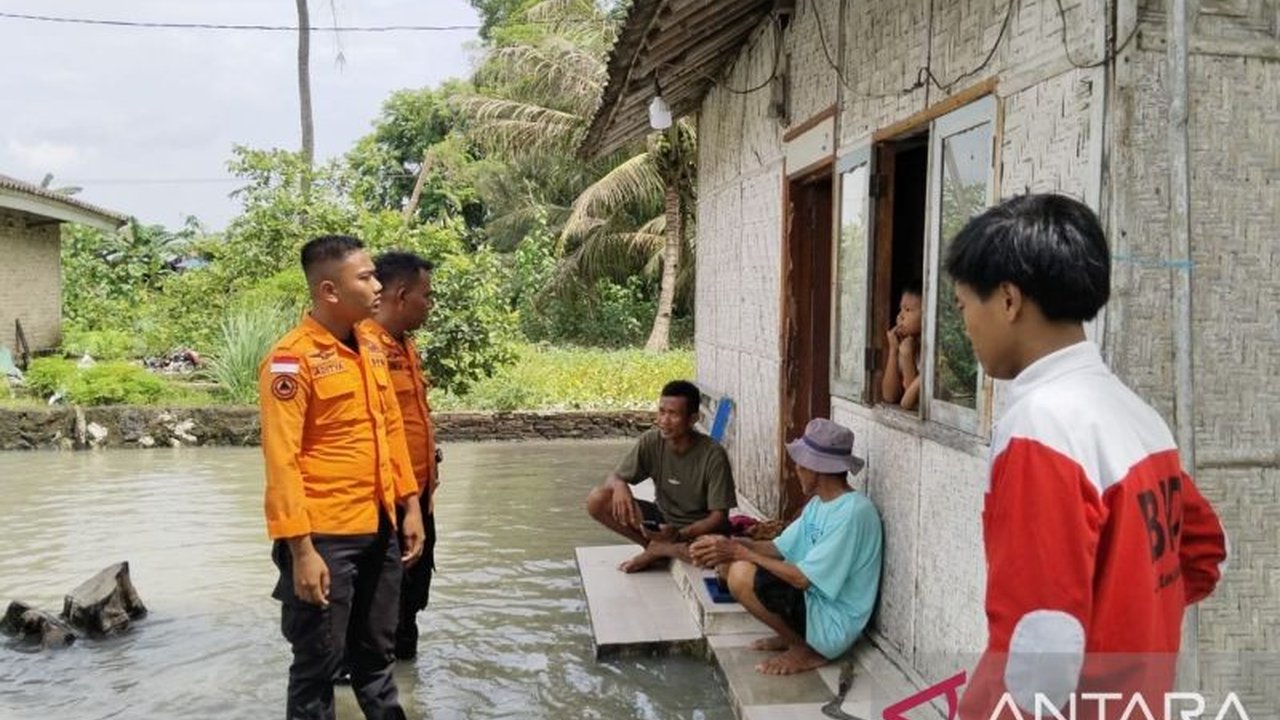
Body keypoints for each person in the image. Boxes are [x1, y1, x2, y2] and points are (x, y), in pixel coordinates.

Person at [943, 194, 1227, 717]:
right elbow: (1206, 552)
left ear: (1008, 300)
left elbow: (1038, 653)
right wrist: (1133, 615)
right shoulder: (1137, 416)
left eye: (963, 306)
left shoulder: (1041, 426)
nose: (965, 326)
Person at [260, 234, 424, 720]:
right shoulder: (292, 360)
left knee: (377, 657)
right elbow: (281, 459)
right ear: (330, 291)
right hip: (325, 536)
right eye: (366, 277)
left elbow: (390, 429)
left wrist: (409, 504)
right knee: (317, 665)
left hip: (380, 527)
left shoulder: (373, 345)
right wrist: (302, 551)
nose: (378, 285)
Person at [690, 418, 882, 676]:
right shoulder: (819, 504)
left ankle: (808, 650)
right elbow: (776, 548)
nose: (797, 470)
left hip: (834, 624)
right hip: (815, 605)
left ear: (817, 468)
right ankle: (792, 635)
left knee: (742, 573)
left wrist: (741, 553)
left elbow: (803, 579)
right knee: (728, 565)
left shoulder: (853, 513)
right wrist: (725, 545)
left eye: (801, 465)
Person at [367, 251, 440, 661]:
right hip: (385, 502)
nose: (429, 304)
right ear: (400, 294)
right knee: (379, 604)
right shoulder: (361, 348)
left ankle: (406, 690)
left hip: (419, 496)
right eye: (426, 296)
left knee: (410, 598)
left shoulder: (406, 346)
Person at [585, 379, 736, 573]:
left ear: (693, 419)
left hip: (698, 530)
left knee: (719, 560)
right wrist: (620, 485)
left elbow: (719, 518)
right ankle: (654, 548)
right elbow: (615, 477)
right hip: (662, 519)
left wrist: (679, 535)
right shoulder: (652, 440)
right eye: (661, 412)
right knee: (597, 499)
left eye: (673, 414)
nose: (664, 420)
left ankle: (661, 549)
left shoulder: (713, 454)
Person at [882, 280, 922, 410]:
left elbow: (916, 403)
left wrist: (906, 355)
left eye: (908, 310)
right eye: (901, 309)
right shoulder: (907, 342)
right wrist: (893, 351)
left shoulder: (932, 351)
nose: (900, 315)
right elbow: (890, 396)